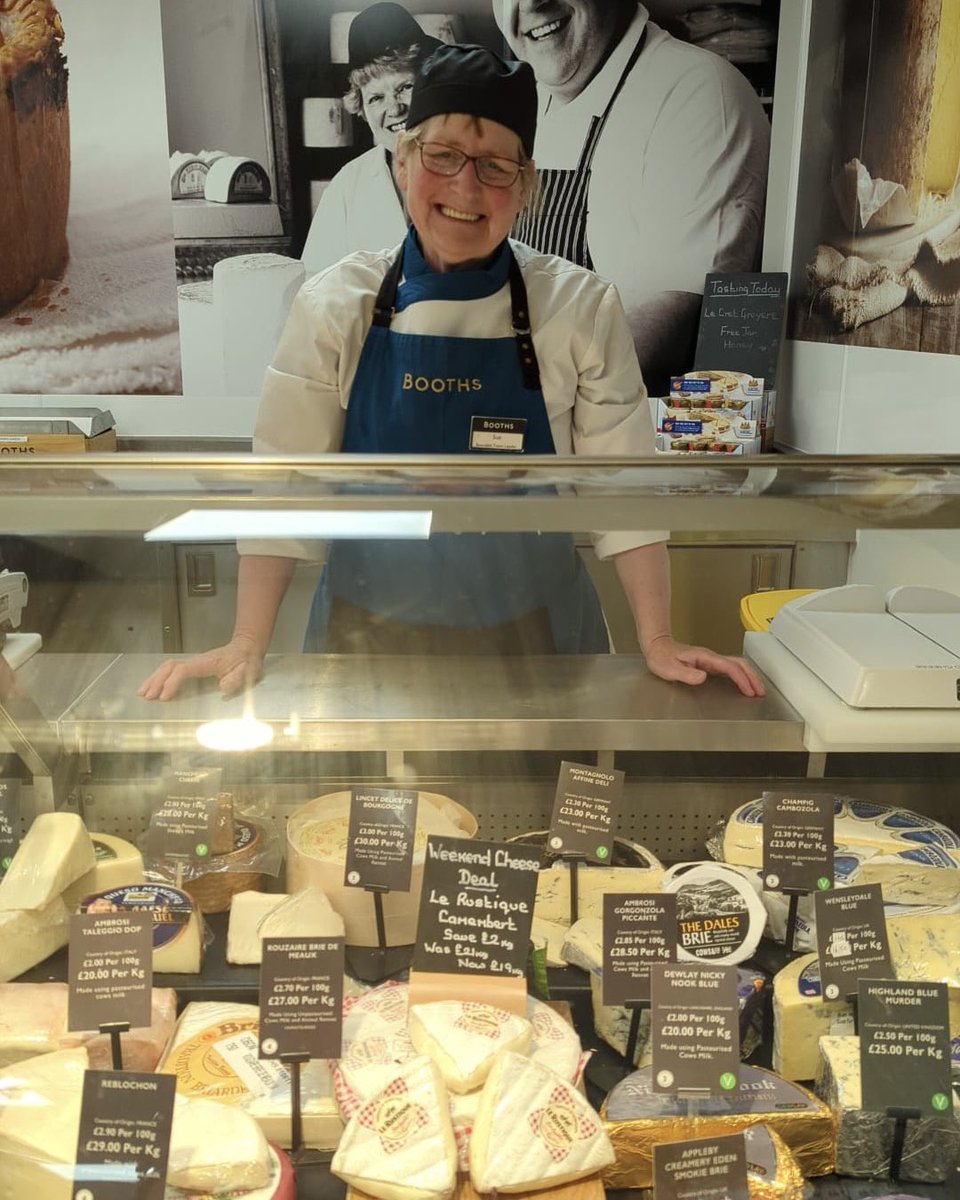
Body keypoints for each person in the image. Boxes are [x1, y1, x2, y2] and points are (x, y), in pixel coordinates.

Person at [139, 43, 764, 703]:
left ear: (524, 188)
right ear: (404, 165)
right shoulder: (334, 305)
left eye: (495, 166)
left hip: (541, 647)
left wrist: (658, 639)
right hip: (364, 644)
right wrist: (246, 643)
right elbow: (284, 487)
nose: (466, 188)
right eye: (443, 157)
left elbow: (626, 496)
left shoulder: (579, 306)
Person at [494, 0, 771, 395]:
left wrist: (502, 403)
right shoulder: (523, 107)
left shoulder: (695, 88)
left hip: (627, 440)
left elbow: (668, 331)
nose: (534, 4)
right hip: (535, 427)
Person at [300, 3, 440, 274]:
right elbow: (315, 294)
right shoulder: (346, 188)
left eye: (405, 87)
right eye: (376, 98)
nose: (395, 108)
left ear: (430, 86)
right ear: (361, 109)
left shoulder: (470, 166)